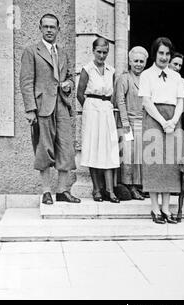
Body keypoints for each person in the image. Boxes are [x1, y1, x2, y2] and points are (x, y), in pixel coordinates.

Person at [20, 13, 80, 205]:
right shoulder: (31, 51)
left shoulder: (62, 53)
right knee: (44, 149)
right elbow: (26, 82)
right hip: (42, 107)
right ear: (40, 28)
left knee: (66, 147)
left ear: (58, 30)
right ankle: (46, 191)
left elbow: (71, 77)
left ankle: (62, 190)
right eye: (45, 27)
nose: (49, 30)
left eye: (52, 27)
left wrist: (69, 85)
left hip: (61, 105)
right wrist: (30, 109)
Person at [139, 37, 184, 224]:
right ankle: (155, 208)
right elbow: (146, 102)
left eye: (167, 54)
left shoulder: (176, 77)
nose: (164, 57)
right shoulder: (146, 75)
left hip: (173, 120)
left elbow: (181, 101)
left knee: (170, 165)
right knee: (154, 163)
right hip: (154, 119)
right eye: (161, 53)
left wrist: (173, 121)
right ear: (154, 54)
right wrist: (162, 121)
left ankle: (166, 208)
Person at [77, 37, 120, 203]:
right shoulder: (87, 69)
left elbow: (114, 93)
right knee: (93, 147)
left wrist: (105, 106)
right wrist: (90, 107)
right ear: (93, 51)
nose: (102, 55)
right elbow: (80, 94)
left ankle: (110, 190)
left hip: (106, 108)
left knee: (108, 147)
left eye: (105, 52)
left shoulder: (111, 70)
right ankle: (96, 189)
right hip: (92, 109)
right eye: (99, 52)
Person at [114, 46, 149, 200]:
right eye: (135, 61)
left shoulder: (147, 78)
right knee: (128, 156)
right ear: (129, 61)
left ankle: (139, 185)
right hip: (127, 123)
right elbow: (120, 101)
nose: (138, 64)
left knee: (139, 157)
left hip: (143, 122)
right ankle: (130, 187)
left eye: (141, 61)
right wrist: (125, 122)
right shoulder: (124, 78)